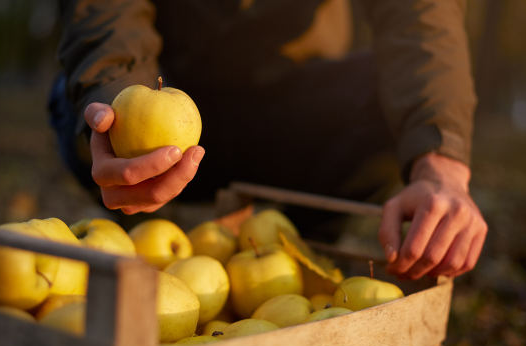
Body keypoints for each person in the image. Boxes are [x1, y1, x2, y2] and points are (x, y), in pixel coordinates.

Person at [49, 0, 487, 280]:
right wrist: (113, 102)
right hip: (174, 81)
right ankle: (139, 220)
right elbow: (106, 12)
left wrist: (440, 160)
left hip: (297, 109)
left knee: (389, 98)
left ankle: (305, 250)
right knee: (80, 98)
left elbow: (420, 17)